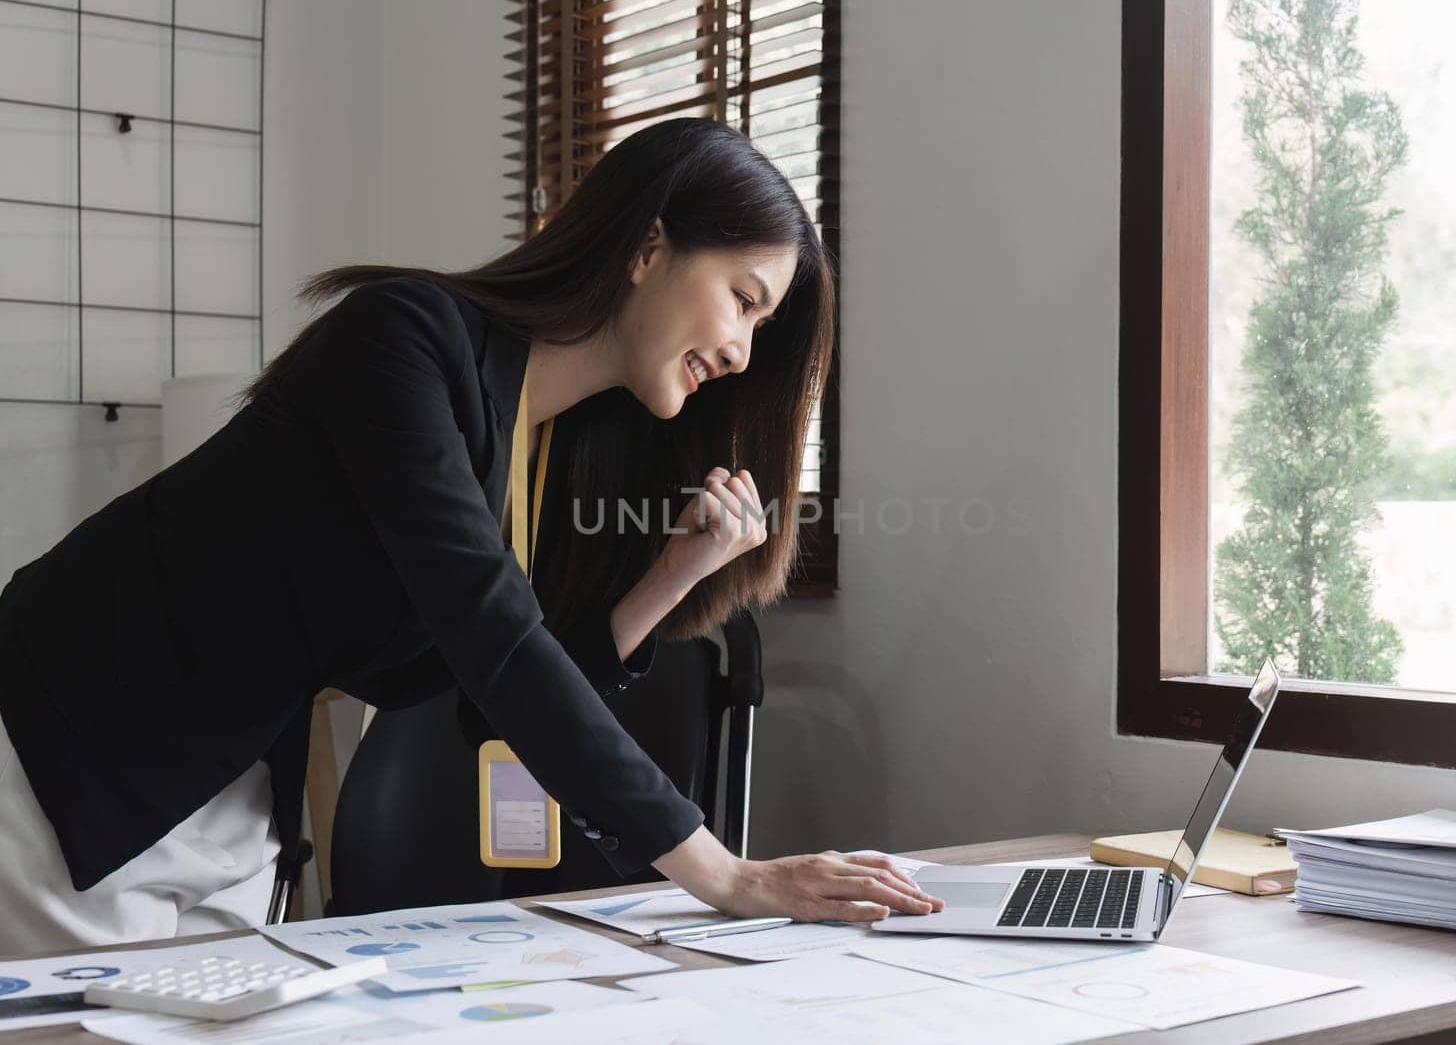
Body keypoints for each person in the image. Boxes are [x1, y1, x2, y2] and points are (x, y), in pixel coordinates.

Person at [0, 118, 943, 957]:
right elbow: (499, 647)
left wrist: (672, 573)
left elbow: (491, 709)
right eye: (743, 299)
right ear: (649, 244)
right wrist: (724, 872)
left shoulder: (533, 447)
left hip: (231, 793)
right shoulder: (403, 340)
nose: (742, 351)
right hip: (77, 742)